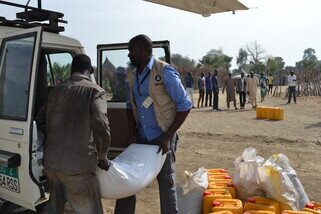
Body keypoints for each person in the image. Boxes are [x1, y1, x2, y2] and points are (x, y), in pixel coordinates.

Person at [115, 34, 192, 214]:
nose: (128, 55)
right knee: (128, 179)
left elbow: (185, 105)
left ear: (141, 49)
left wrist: (168, 136)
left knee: (166, 183)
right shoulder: (132, 74)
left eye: (130, 51)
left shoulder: (164, 72)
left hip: (162, 137)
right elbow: (129, 105)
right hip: (141, 136)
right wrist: (132, 132)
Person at [35, 54, 111, 213]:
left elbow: (40, 120)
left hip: (52, 163)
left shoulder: (56, 90)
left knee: (55, 207)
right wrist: (102, 155)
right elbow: (101, 125)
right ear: (90, 70)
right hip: (78, 167)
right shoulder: (95, 91)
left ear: (71, 69)